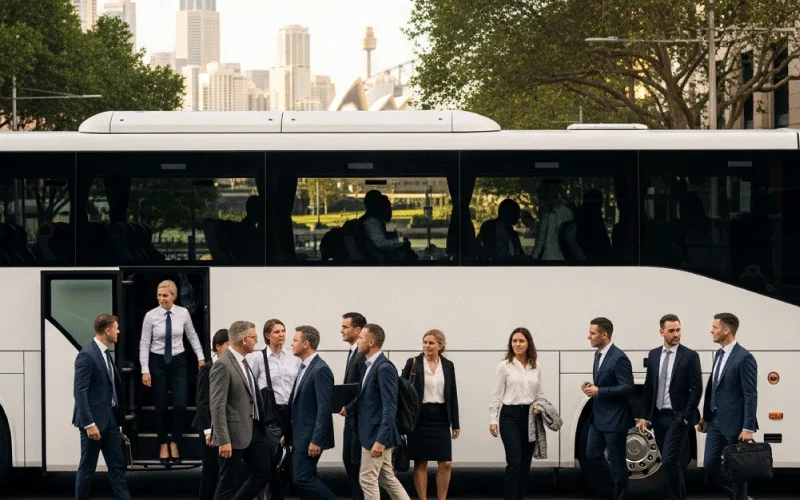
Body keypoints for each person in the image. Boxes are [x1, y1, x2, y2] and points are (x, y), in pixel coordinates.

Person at [341, 323, 411, 500]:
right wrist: (348, 408)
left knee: (367, 479)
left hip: (376, 435)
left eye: (361, 338)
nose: (358, 341)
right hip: (374, 433)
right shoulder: (370, 365)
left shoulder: (384, 367)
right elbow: (365, 396)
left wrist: (381, 440)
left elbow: (389, 406)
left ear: (371, 342)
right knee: (387, 479)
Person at [636, 315, 702, 500]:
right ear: (661, 332)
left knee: (670, 460)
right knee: (669, 462)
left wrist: (686, 417)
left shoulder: (689, 356)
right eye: (671, 330)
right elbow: (649, 387)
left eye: (678, 330)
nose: (676, 334)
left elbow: (697, 388)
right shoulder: (654, 355)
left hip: (677, 417)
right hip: (658, 417)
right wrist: (644, 416)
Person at [139, 279, 205, 463]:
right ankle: (163, 442)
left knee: (181, 404)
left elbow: (192, 335)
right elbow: (144, 343)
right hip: (157, 361)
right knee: (160, 404)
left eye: (165, 296)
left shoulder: (183, 313)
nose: (161, 299)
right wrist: (145, 369)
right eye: (159, 295)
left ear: (174, 296)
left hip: (178, 361)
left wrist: (200, 357)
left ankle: (175, 441)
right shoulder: (151, 316)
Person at [697, 313, 758, 500]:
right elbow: (714, 388)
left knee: (737, 468)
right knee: (710, 465)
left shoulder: (744, 357)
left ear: (726, 330)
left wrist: (748, 428)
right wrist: (706, 417)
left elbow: (750, 394)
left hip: (735, 424)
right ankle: (739, 496)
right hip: (715, 421)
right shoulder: (719, 354)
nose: (711, 331)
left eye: (715, 327)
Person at [210, 320, 273, 500]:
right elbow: (217, 405)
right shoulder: (223, 365)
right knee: (227, 484)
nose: (256, 341)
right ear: (244, 340)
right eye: (254, 337)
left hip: (252, 430)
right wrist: (223, 440)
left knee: (263, 472)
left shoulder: (243, 361)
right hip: (232, 435)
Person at [72, 314, 132, 500]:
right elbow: (80, 392)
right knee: (87, 469)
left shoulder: (105, 353)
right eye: (116, 328)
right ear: (107, 331)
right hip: (93, 424)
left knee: (117, 469)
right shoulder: (87, 355)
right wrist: (89, 424)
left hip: (110, 421)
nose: (118, 331)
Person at [402, 329, 460, 500]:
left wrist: (455, 423)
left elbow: (452, 394)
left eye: (431, 343)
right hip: (419, 418)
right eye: (425, 342)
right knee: (421, 462)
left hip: (441, 417)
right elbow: (402, 389)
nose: (427, 346)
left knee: (446, 463)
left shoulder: (448, 365)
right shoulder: (413, 362)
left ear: (440, 345)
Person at [582, 317, 634, 500]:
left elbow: (628, 387)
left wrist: (599, 391)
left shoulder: (619, 358)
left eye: (592, 333)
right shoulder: (598, 354)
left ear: (604, 335)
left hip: (615, 419)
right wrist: (592, 387)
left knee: (618, 465)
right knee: (592, 455)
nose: (589, 337)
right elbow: (604, 383)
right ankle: (614, 493)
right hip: (598, 417)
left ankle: (621, 496)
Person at [488, 327, 543, 500]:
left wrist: (539, 406)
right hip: (509, 416)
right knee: (515, 462)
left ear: (528, 344)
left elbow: (539, 393)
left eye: (521, 341)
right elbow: (496, 394)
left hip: (530, 417)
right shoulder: (504, 366)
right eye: (514, 341)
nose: (517, 344)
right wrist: (493, 419)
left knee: (525, 465)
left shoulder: (536, 366)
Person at [249, 319, 301, 500]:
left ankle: (279, 492)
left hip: (291, 412)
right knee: (271, 458)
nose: (281, 335)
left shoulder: (293, 357)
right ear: (267, 335)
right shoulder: (258, 358)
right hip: (270, 414)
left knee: (290, 458)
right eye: (277, 332)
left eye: (283, 331)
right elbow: (252, 386)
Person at [288, 325, 337, 499]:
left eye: (295, 340)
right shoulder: (305, 367)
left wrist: (316, 440)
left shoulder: (320, 369)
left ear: (306, 344)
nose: (291, 344)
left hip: (309, 438)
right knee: (303, 480)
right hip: (300, 436)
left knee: (302, 479)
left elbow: (324, 407)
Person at [192, 328, 230, 500]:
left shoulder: (228, 366)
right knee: (210, 470)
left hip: (222, 425)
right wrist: (208, 431)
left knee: (222, 470)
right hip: (208, 426)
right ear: (218, 346)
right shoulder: (208, 368)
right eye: (228, 346)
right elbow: (202, 401)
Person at [341, 312, 368, 500]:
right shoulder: (353, 353)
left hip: (358, 420)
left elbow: (364, 389)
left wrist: (349, 406)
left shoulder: (362, 355)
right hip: (351, 418)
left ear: (357, 329)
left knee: (356, 464)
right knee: (350, 462)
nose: (341, 330)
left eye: (345, 327)